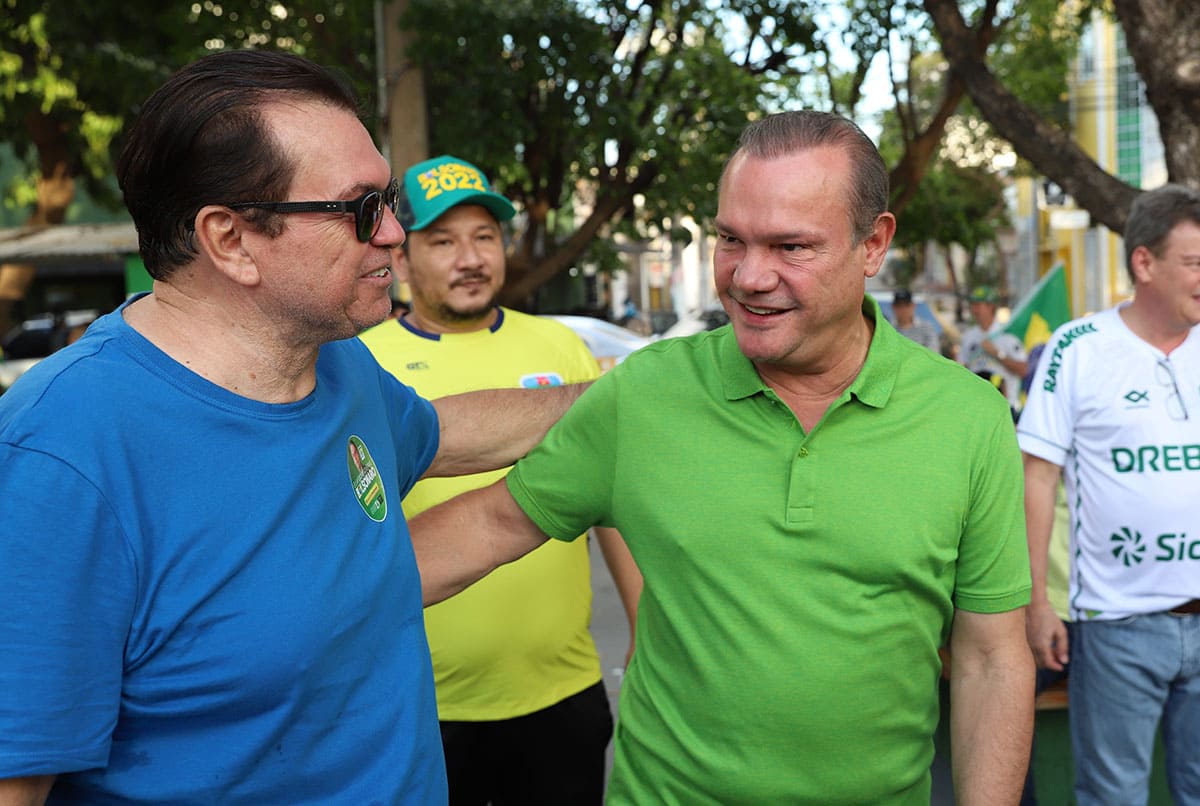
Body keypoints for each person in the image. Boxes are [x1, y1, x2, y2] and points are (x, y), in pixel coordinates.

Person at [0, 50, 585, 805]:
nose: (395, 235)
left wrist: (622, 400)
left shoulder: (334, 364)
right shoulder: (62, 456)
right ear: (231, 239)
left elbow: (440, 436)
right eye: (362, 208)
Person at [411, 110, 1034, 803]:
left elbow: (990, 656)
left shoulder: (967, 418)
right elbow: (491, 526)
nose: (749, 277)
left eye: (790, 246)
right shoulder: (647, 392)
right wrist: (299, 601)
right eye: (730, 240)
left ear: (874, 243)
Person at [358, 154, 641, 805]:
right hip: (415, 702)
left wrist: (643, 628)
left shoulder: (561, 350)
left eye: (485, 236)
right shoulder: (360, 362)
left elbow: (610, 504)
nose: (470, 257)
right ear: (401, 260)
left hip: (561, 696)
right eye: (443, 241)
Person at [1018, 183, 1200, 806]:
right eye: (1195, 262)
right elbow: (1036, 477)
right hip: (1117, 627)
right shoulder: (1077, 349)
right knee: (1113, 795)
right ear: (1144, 263)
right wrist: (1038, 602)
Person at [958, 284, 1028, 412]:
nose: (974, 310)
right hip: (977, 406)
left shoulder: (1007, 335)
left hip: (1005, 406)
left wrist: (997, 353)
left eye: (978, 305)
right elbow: (963, 367)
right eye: (973, 305)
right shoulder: (969, 336)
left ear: (991, 307)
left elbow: (1023, 370)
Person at [889, 287, 941, 352]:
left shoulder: (926, 327)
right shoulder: (888, 328)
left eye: (906, 305)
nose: (903, 309)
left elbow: (934, 352)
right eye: (899, 305)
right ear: (893, 307)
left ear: (913, 305)